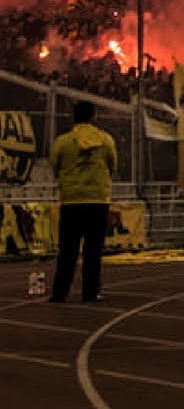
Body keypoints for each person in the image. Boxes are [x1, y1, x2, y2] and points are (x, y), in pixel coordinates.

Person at [49, 101, 117, 303]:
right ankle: (90, 292)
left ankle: (59, 292)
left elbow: (54, 165)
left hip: (71, 201)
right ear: (93, 116)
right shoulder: (106, 140)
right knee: (93, 250)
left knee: (67, 250)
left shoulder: (63, 141)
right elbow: (112, 166)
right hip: (97, 201)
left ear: (74, 116)